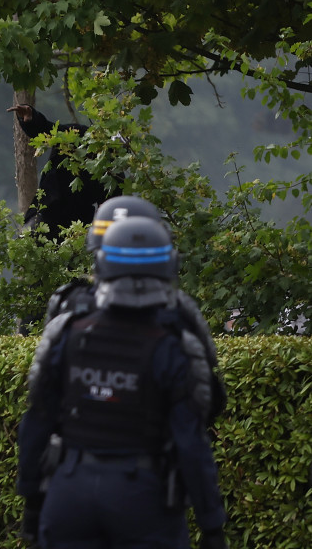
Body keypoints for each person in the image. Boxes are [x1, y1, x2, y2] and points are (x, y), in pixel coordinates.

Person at [16, 215, 229, 549]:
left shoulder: (68, 331)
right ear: (167, 267)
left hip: (69, 494)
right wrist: (212, 525)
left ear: (101, 263)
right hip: (143, 499)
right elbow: (191, 442)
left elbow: (37, 421)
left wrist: (31, 501)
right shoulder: (173, 345)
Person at [7, 103, 122, 242]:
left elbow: (110, 210)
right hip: (46, 212)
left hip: (76, 228)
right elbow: (47, 131)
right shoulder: (78, 135)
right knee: (29, 242)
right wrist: (31, 117)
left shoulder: (114, 173)